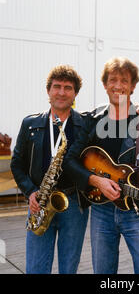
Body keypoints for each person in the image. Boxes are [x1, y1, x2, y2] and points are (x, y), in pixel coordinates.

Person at [64, 57, 139, 274]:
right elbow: (69, 160)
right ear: (104, 84)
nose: (118, 86)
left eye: (124, 81)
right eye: (113, 80)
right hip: (101, 210)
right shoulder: (93, 120)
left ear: (133, 86)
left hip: (137, 211)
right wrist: (95, 181)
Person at [10, 65, 89, 274]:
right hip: (40, 201)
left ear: (75, 93)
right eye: (56, 87)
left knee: (68, 268)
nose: (61, 92)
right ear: (48, 91)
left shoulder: (85, 125)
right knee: (35, 268)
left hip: (73, 204)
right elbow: (16, 164)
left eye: (68, 88)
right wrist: (30, 191)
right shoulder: (30, 124)